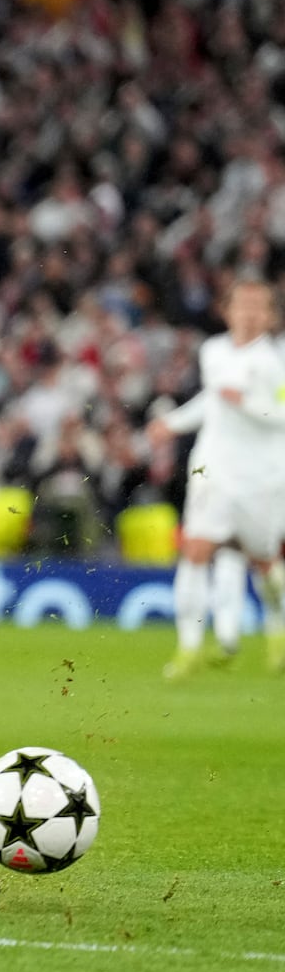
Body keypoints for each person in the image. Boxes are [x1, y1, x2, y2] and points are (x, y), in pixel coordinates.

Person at [147, 278, 285, 678]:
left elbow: (279, 413)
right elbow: (212, 399)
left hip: (261, 476)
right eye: (242, 304)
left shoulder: (276, 361)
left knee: (265, 562)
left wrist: (249, 403)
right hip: (214, 469)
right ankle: (188, 649)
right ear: (227, 310)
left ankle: (277, 631)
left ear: (270, 315)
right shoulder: (213, 351)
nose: (249, 313)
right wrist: (172, 423)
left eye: (257, 306)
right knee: (195, 551)